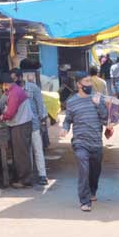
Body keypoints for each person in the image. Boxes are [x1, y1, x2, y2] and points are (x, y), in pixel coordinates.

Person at [61, 74, 110, 212]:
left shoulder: (97, 98)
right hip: (80, 142)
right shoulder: (71, 102)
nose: (90, 84)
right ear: (79, 84)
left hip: (96, 142)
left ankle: (92, 190)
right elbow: (67, 119)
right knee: (84, 169)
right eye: (86, 81)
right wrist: (64, 128)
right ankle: (85, 201)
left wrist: (98, 105)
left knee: (95, 170)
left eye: (90, 81)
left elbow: (105, 117)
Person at [0, 69, 35, 188]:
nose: (3, 87)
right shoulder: (13, 91)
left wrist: (3, 117)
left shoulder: (14, 93)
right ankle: (20, 177)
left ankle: (24, 180)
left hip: (21, 125)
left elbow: (11, 112)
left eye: (2, 85)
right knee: (19, 152)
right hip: (19, 124)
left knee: (20, 153)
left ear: (5, 84)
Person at [21, 69, 49, 186]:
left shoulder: (33, 88)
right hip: (21, 125)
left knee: (37, 149)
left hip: (34, 124)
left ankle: (42, 175)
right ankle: (29, 176)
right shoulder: (13, 90)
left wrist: (43, 120)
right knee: (26, 151)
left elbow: (40, 104)